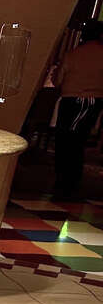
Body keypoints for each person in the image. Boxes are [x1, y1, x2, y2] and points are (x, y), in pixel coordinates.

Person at [53, 20, 103, 199]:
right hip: (92, 99)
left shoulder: (72, 54)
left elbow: (58, 80)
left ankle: (62, 177)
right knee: (78, 139)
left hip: (70, 99)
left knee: (64, 137)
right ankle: (72, 179)